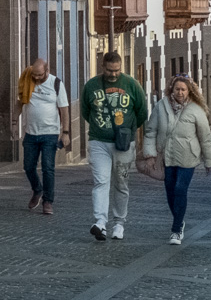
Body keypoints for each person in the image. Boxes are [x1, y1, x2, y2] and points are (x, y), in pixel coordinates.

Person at [80, 51, 148, 241]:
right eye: (110, 70)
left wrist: (129, 130)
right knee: (101, 181)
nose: (113, 74)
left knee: (121, 183)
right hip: (98, 141)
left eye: (117, 70)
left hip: (124, 144)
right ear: (103, 67)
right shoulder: (92, 85)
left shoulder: (132, 85)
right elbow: (86, 111)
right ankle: (100, 222)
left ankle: (119, 223)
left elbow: (142, 112)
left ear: (121, 68)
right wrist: (101, 127)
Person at [143, 75, 211, 245]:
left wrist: (210, 161)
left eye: (183, 89)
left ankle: (176, 230)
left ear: (189, 91)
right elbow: (151, 131)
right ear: (172, 89)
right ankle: (180, 220)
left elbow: (205, 137)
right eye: (177, 89)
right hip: (167, 156)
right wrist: (150, 154)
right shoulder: (161, 106)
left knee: (180, 189)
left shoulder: (196, 109)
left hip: (188, 157)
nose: (180, 92)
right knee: (170, 190)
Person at [16, 58, 70, 216]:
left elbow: (64, 110)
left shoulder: (56, 83)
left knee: (48, 168)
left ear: (47, 70)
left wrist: (65, 133)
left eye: (39, 75)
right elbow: (20, 103)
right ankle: (37, 190)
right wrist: (14, 123)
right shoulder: (27, 80)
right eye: (34, 74)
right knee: (28, 167)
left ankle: (48, 201)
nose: (36, 78)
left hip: (50, 134)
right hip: (31, 133)